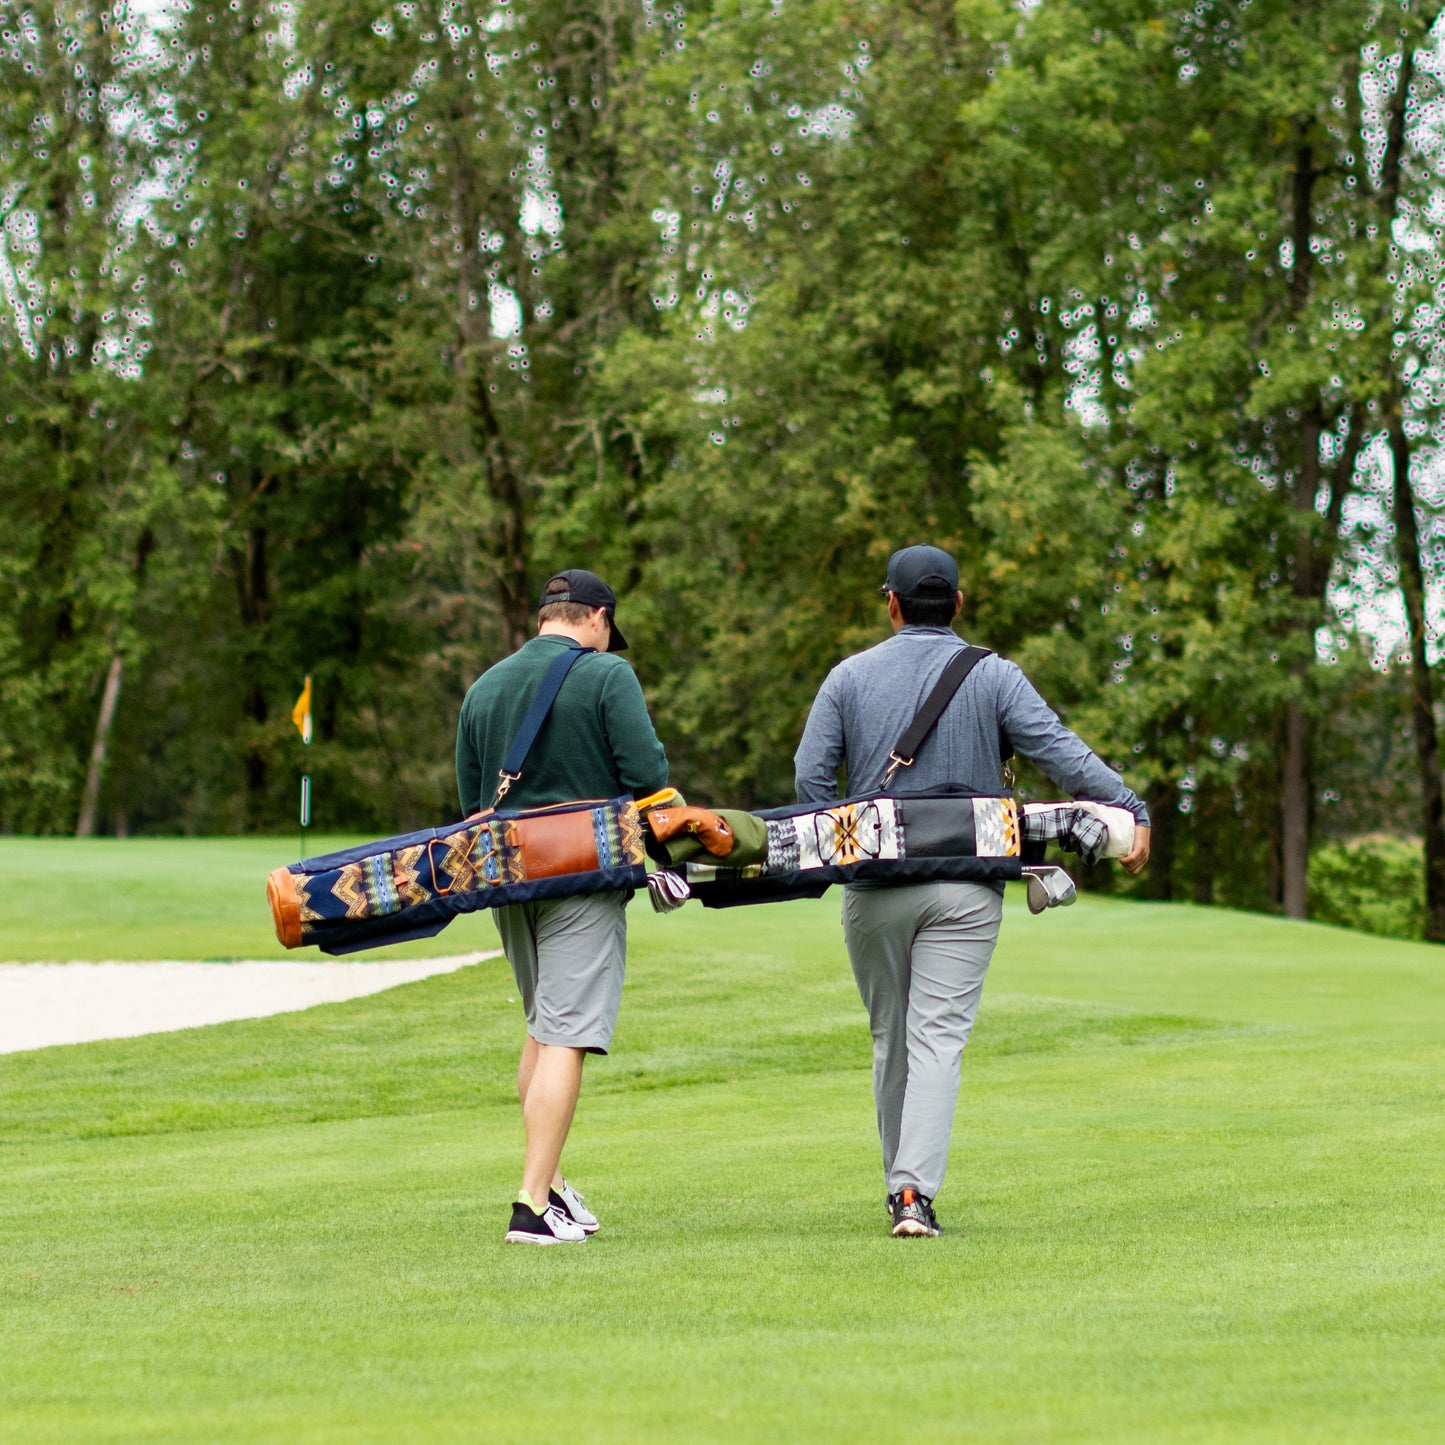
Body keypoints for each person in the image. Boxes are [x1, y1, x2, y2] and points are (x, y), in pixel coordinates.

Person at [793, 544, 1152, 1238]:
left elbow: (811, 780)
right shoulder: (993, 675)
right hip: (966, 884)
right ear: (957, 603)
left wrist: (842, 849)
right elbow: (1061, 753)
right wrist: (1130, 807)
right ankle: (910, 1195)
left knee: (888, 1036)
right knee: (937, 1039)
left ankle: (899, 1181)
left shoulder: (847, 676)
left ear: (890, 603)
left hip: (873, 884)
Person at [456, 569, 668, 1245]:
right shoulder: (608, 675)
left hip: (508, 877)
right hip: (580, 873)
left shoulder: (484, 685)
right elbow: (647, 774)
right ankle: (531, 1204)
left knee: (544, 1028)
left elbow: (471, 804)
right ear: (598, 617)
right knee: (568, 1032)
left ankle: (548, 1185)